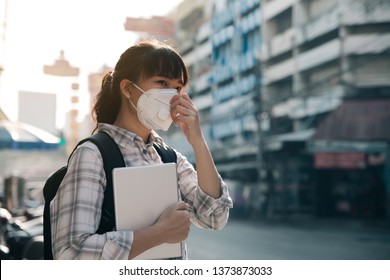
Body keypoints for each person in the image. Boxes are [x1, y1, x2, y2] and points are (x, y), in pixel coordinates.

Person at [50, 39, 233, 260]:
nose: (172, 95)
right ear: (127, 88)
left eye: (178, 87)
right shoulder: (93, 155)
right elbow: (71, 253)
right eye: (162, 82)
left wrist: (197, 139)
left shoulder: (168, 157)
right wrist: (157, 234)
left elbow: (214, 217)